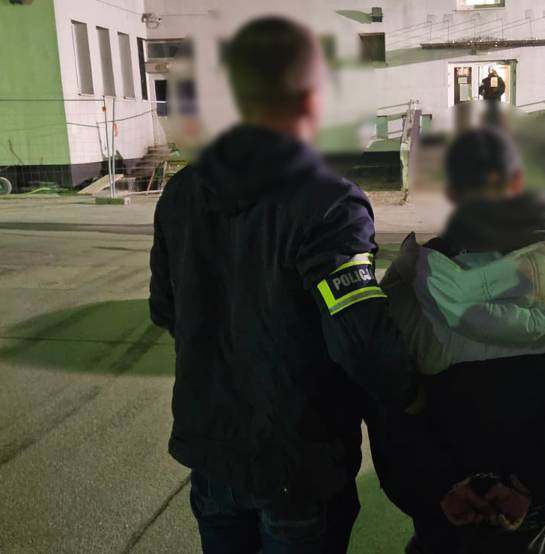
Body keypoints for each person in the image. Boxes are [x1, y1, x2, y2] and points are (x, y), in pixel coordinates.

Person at [149, 16, 419, 554]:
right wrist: (414, 396)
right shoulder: (329, 202)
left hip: (213, 459)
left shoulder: (182, 192)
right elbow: (359, 340)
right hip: (299, 465)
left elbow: (166, 308)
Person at [372, 128, 545, 553]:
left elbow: (393, 417)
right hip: (535, 518)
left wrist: (441, 486)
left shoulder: (404, 298)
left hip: (445, 516)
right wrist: (529, 486)